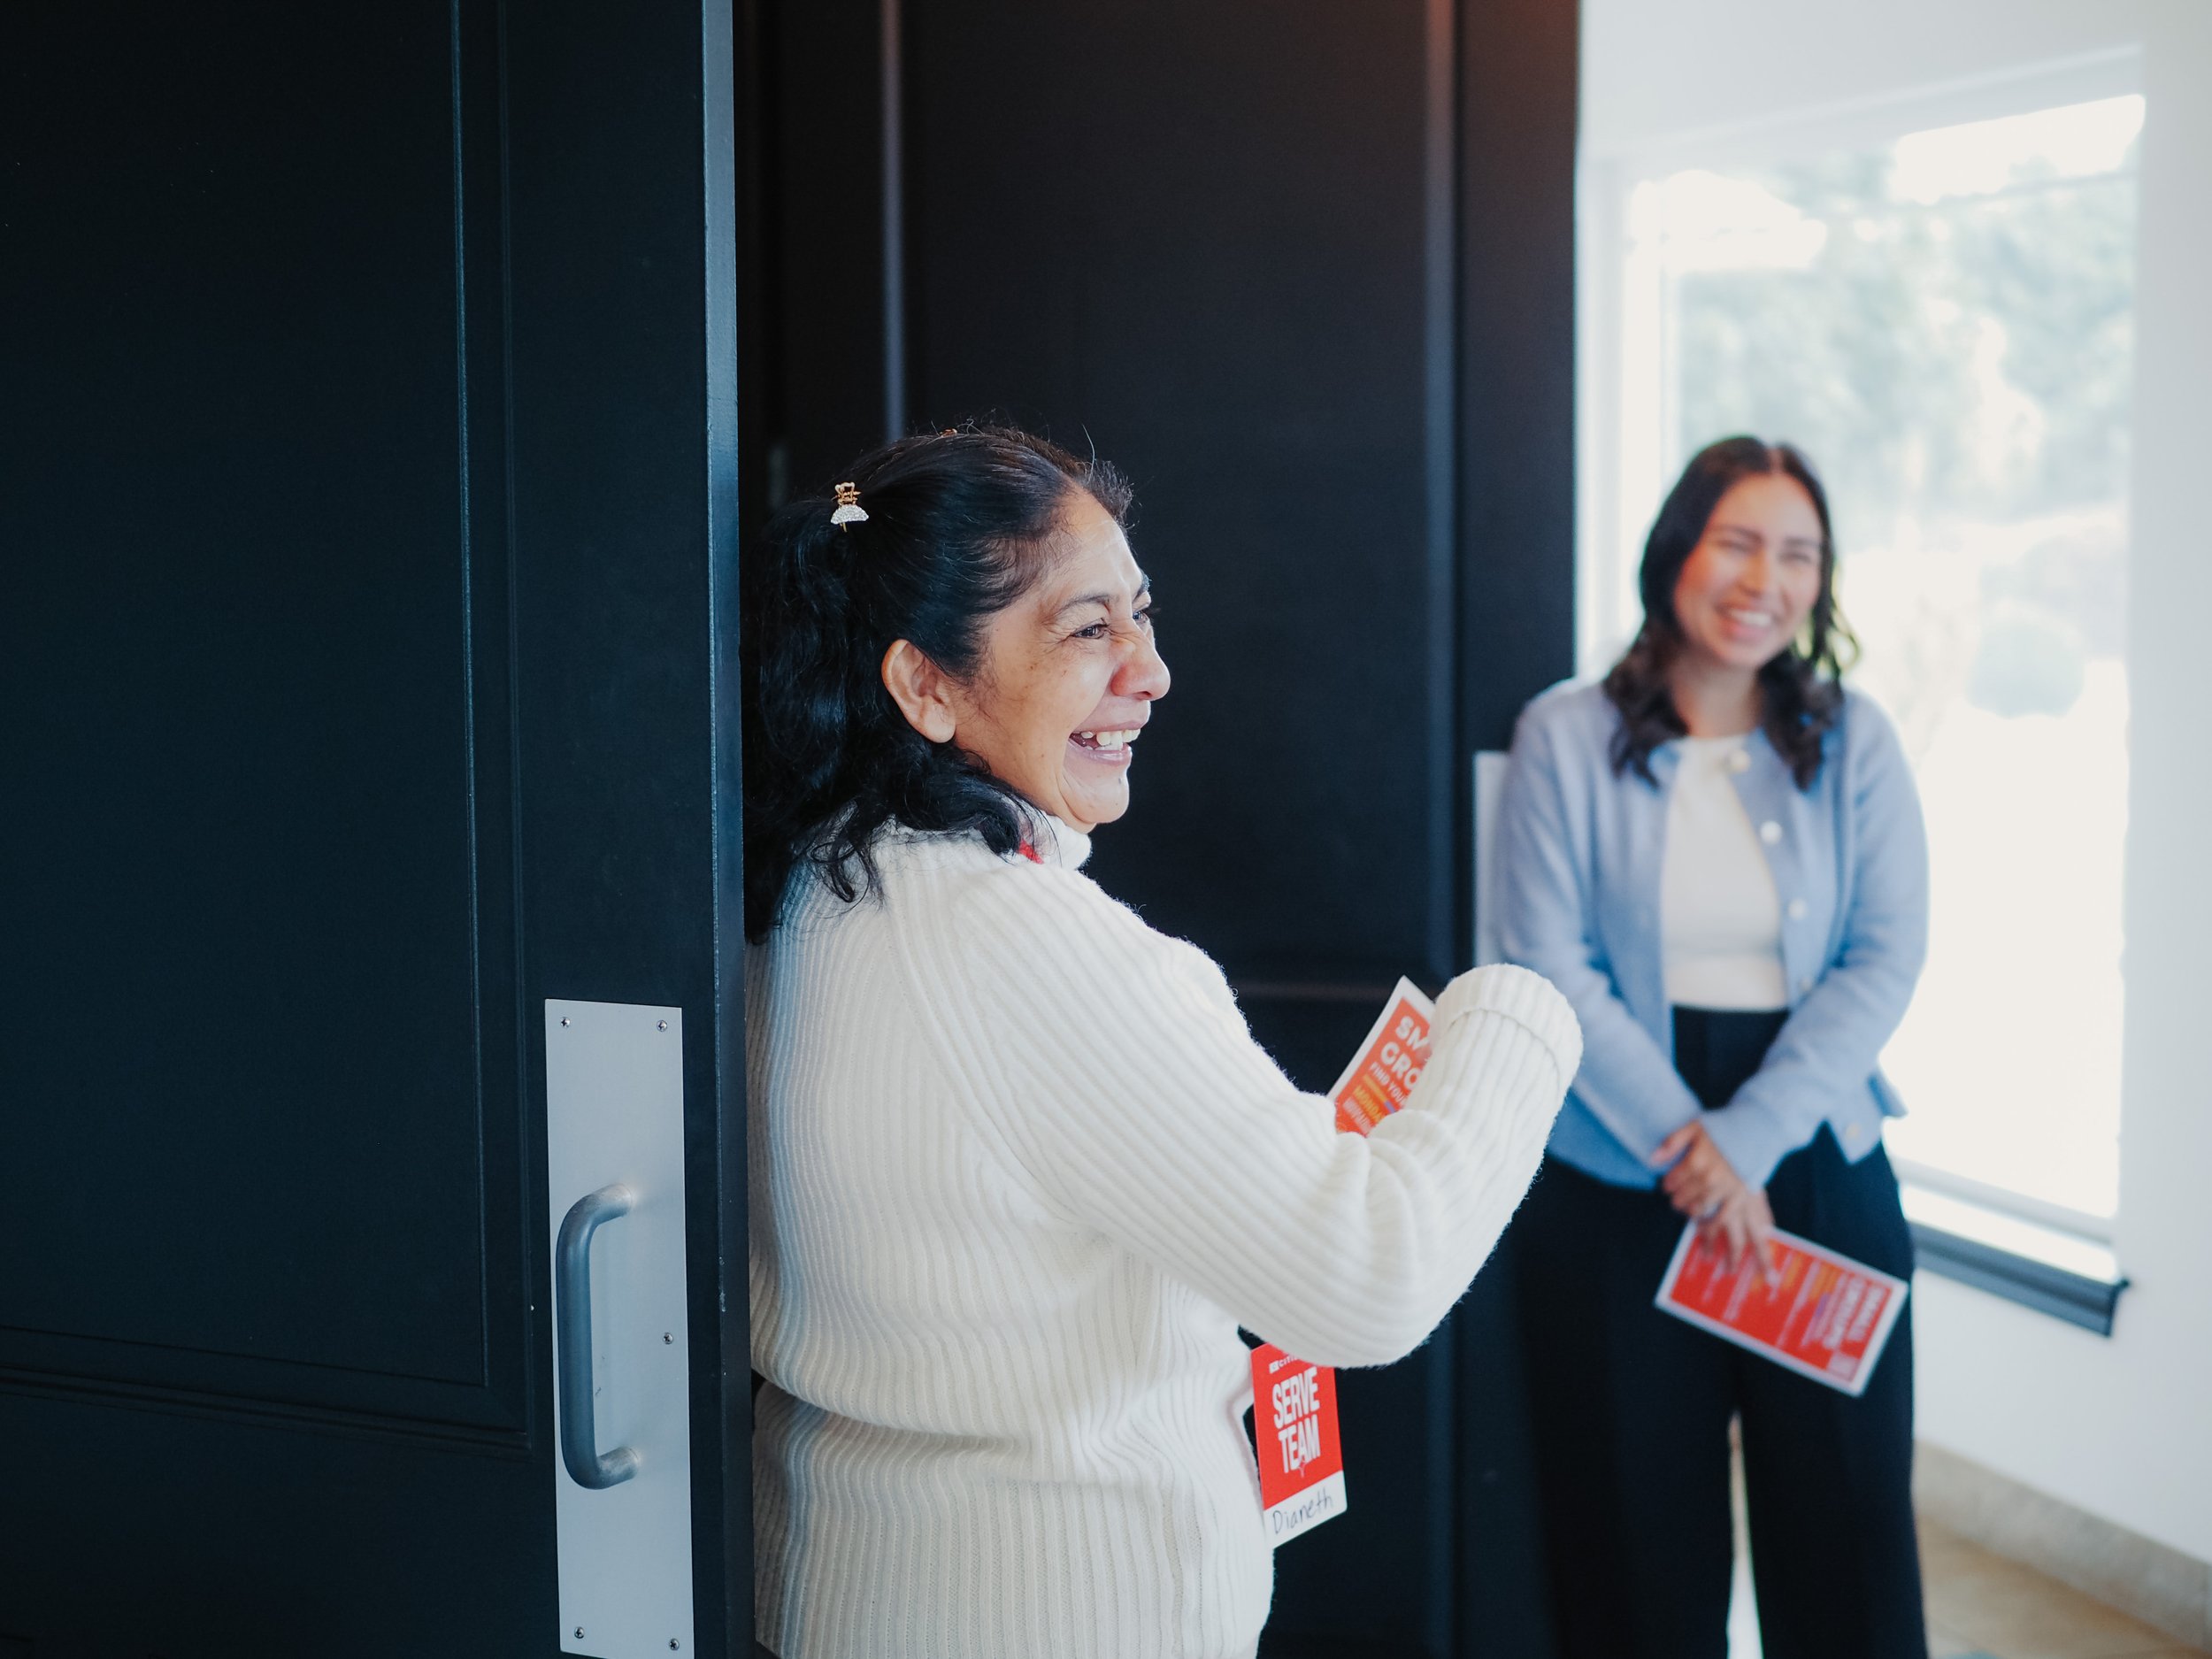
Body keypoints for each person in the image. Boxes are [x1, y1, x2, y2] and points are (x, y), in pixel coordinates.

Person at [742, 425, 1582, 1659]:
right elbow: (1370, 1274)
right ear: (925, 683)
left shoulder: (798, 892)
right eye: (1090, 630)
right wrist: (1516, 1013)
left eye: (1140, 616)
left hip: (838, 1597)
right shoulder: (1035, 949)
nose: (1153, 671)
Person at [1494, 436, 1930, 1659]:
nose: (1765, 577)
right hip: (1618, 1177)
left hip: (1815, 1160)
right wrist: (1689, 1149)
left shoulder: (1858, 739)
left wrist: (1740, 1144)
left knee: (1843, 1533)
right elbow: (1546, 962)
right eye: (1739, 540)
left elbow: (1884, 955)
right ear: (1678, 549)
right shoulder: (1563, 736)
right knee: (1633, 1541)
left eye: (1799, 553)